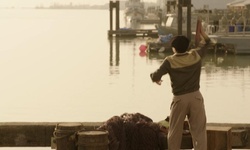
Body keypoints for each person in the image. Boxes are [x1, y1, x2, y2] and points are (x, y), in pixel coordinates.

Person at [150, 18, 211, 150]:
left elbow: (155, 75)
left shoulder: (170, 61)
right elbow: (208, 42)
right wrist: (201, 32)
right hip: (196, 97)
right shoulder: (195, 55)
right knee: (199, 132)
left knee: (174, 132)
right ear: (187, 46)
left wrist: (156, 79)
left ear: (174, 48)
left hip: (180, 99)